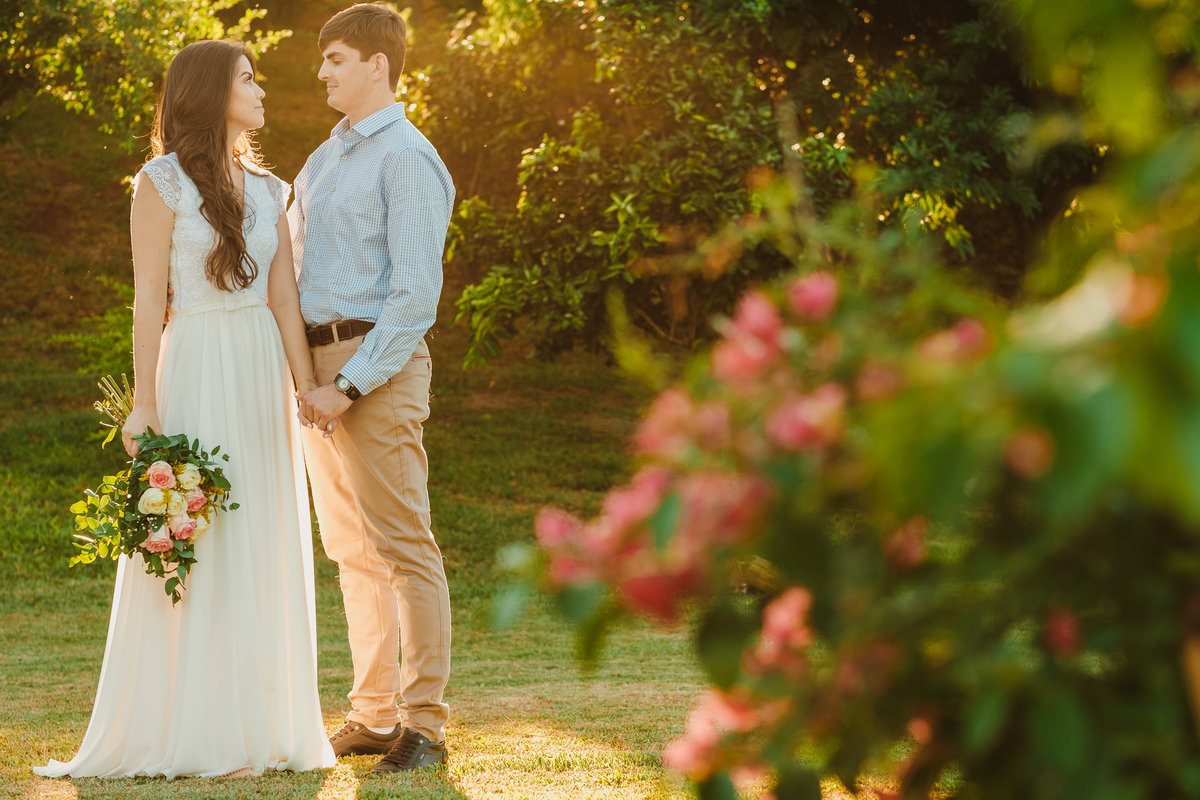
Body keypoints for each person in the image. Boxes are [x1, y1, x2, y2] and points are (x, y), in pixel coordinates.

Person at [34, 40, 335, 779]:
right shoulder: (158, 183)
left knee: (259, 531)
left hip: (260, 368)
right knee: (199, 535)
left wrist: (306, 390)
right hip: (196, 363)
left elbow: (284, 298)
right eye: (248, 80)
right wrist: (145, 406)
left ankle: (264, 725)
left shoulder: (271, 189)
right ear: (209, 93)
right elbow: (146, 304)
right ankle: (195, 726)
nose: (262, 91)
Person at [290, 2, 455, 774]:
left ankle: (424, 724)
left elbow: (417, 295)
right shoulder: (323, 161)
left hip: (374, 371)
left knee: (403, 547)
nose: (320, 70)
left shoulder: (408, 157)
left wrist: (349, 384)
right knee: (352, 553)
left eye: (334, 58)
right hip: (317, 373)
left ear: (377, 64)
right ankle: (372, 714)